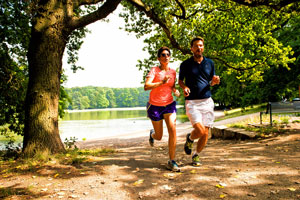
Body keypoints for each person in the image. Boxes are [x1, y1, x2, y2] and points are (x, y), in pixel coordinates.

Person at [178, 37, 220, 166]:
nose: (198, 48)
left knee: (205, 133)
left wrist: (214, 82)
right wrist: (184, 87)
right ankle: (190, 139)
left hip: (207, 101)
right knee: (200, 130)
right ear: (191, 48)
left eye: (201, 45)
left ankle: (196, 155)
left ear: (203, 47)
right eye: (196, 46)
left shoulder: (210, 63)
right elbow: (180, 81)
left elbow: (211, 82)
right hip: (192, 102)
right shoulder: (185, 64)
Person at [144, 46, 181, 172]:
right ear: (159, 58)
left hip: (169, 104)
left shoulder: (173, 72)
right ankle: (152, 134)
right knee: (159, 136)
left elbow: (172, 86)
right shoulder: (154, 70)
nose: (166, 57)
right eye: (163, 55)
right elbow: (146, 86)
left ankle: (172, 161)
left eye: (168, 55)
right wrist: (161, 82)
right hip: (154, 106)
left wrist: (175, 91)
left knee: (172, 128)